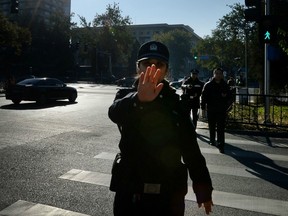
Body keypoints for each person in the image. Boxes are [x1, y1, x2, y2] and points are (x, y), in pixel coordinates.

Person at [108, 41, 213, 216]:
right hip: (131, 192)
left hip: (168, 195)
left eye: (159, 64)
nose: (153, 68)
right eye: (147, 64)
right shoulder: (125, 96)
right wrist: (139, 100)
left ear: (167, 70)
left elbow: (191, 150)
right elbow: (114, 114)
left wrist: (203, 190)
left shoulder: (176, 104)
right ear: (138, 67)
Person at [201, 68, 231, 153]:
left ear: (222, 75)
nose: (218, 75)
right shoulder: (208, 85)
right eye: (216, 73)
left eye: (219, 74)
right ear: (213, 74)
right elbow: (204, 97)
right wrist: (203, 108)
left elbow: (230, 97)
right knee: (212, 126)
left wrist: (226, 103)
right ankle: (212, 139)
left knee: (221, 128)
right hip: (211, 109)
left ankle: (221, 144)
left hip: (221, 110)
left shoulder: (225, 85)